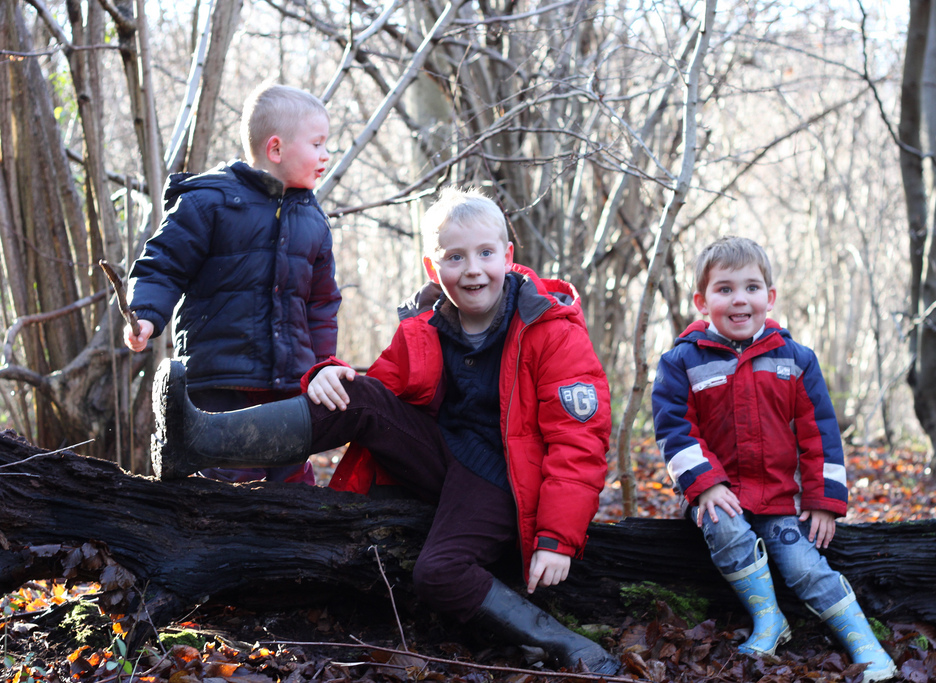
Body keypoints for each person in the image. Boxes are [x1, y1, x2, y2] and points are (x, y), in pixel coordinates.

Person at [149, 186, 620, 675]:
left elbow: (580, 441)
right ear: (432, 268)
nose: (473, 269)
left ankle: (560, 641)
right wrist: (326, 374)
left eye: (485, 253)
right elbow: (380, 389)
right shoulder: (427, 326)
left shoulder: (550, 328)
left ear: (508, 255)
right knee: (355, 395)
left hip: (504, 481)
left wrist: (556, 538)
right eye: (455, 257)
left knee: (438, 573)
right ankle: (199, 442)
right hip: (441, 456)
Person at [650, 236, 896, 682]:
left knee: (805, 566)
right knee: (724, 524)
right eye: (725, 289)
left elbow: (820, 434)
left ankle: (867, 646)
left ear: (770, 296)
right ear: (702, 303)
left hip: (780, 500)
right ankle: (769, 619)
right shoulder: (681, 362)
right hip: (717, 496)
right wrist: (705, 484)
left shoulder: (796, 360)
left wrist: (823, 500)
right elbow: (674, 430)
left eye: (751, 287)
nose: (739, 299)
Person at [125, 83, 342, 485]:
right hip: (221, 379)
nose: (326, 154)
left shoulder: (313, 220)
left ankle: (294, 526)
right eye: (317, 144)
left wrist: (321, 369)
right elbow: (164, 264)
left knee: (293, 483)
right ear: (275, 149)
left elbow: (322, 306)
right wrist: (146, 314)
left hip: (288, 387)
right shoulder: (209, 201)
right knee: (228, 482)